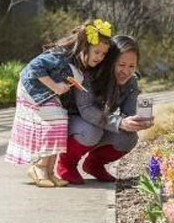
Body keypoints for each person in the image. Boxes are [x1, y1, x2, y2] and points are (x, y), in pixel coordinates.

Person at [5, 19, 112, 188]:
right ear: (84, 47)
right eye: (96, 52)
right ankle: (38, 167)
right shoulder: (61, 56)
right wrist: (54, 85)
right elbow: (34, 67)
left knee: (60, 120)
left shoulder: (80, 63)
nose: (100, 57)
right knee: (55, 119)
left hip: (47, 92)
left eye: (103, 54)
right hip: (32, 89)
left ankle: (49, 171)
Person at [56, 35, 153, 184]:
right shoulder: (88, 75)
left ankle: (94, 165)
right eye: (121, 65)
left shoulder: (131, 81)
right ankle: (66, 163)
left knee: (129, 137)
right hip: (72, 122)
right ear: (110, 61)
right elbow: (87, 109)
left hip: (97, 123)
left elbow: (128, 114)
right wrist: (119, 122)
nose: (126, 71)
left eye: (131, 66)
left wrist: (137, 122)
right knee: (92, 131)